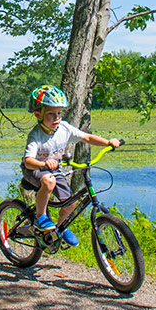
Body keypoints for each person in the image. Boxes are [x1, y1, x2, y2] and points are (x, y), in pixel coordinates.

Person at [22, 84, 122, 247]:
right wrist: (43, 163)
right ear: (37, 114)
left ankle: (61, 228)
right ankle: (41, 217)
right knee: (48, 181)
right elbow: (28, 161)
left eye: (59, 113)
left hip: (54, 169)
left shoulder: (64, 128)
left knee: (71, 202)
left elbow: (87, 138)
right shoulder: (36, 135)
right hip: (34, 169)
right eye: (50, 114)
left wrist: (107, 142)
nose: (57, 118)